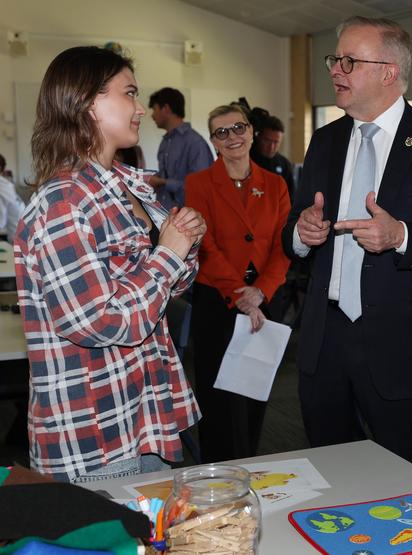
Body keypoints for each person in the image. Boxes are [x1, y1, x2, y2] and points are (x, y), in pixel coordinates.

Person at [281, 16, 412, 470]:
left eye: (349, 62)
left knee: (406, 486)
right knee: (331, 476)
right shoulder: (325, 141)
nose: (335, 70)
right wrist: (301, 233)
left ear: (389, 72)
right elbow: (293, 224)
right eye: (335, 59)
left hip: (402, 346)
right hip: (324, 341)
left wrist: (402, 236)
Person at [14, 46, 205, 482]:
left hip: (145, 414)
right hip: (97, 435)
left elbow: (169, 287)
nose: (140, 109)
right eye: (130, 94)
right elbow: (100, 321)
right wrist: (169, 253)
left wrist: (184, 243)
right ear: (87, 102)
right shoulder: (62, 203)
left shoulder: (125, 185)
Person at [186, 104, 291, 463]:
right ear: (213, 141)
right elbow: (205, 246)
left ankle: (250, 470)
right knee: (219, 401)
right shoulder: (198, 184)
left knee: (253, 394)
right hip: (218, 300)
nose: (232, 137)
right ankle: (216, 478)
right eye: (222, 132)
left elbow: (283, 245)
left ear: (251, 132)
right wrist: (240, 294)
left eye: (238, 128)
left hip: (265, 298)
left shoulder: (276, 184)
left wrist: (260, 291)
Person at [147, 87, 213, 210]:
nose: (152, 116)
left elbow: (201, 186)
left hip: (189, 218)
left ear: (166, 109)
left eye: (154, 109)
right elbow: (166, 174)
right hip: (166, 214)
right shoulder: (165, 142)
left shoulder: (195, 142)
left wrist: (163, 183)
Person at [249, 109, 296, 201]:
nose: (271, 147)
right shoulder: (247, 160)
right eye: (267, 141)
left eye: (276, 142)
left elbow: (291, 198)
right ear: (258, 137)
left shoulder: (284, 164)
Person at [0, 153, 24, 241]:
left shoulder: (2, 186)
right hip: (22, 229)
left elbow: (1, 221)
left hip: (15, 233)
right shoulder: (6, 184)